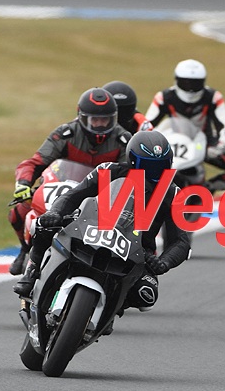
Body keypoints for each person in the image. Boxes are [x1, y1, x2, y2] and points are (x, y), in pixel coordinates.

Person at [13, 130, 192, 325]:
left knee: (146, 294)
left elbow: (181, 241)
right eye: (147, 166)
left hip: (138, 250)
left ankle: (112, 309)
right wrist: (55, 213)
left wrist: (164, 262)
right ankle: (33, 270)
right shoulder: (108, 170)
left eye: (160, 167)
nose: (153, 173)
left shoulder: (173, 194)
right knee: (44, 225)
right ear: (132, 161)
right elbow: (72, 196)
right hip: (90, 228)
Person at [8, 87, 131, 276]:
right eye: (95, 120)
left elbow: (130, 175)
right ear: (82, 117)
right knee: (19, 211)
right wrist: (23, 183)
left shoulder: (123, 140)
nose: (100, 125)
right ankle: (25, 250)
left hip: (103, 194)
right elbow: (35, 162)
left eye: (105, 120)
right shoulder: (65, 134)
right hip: (64, 188)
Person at [145, 59, 225, 192]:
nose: (190, 88)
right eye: (185, 82)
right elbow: (146, 125)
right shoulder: (163, 97)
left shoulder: (213, 97)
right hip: (171, 143)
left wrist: (220, 145)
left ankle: (207, 189)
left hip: (205, 145)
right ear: (177, 80)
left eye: (195, 83)